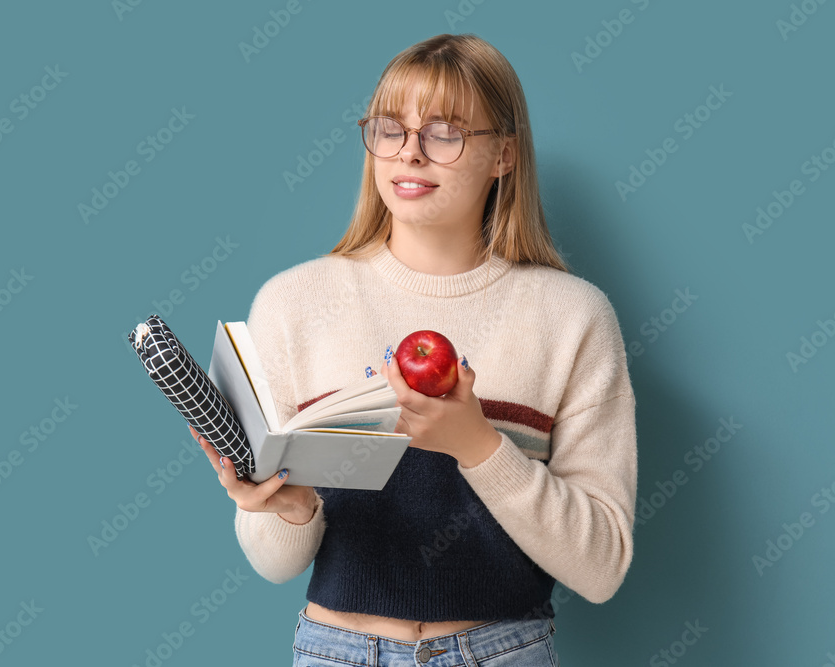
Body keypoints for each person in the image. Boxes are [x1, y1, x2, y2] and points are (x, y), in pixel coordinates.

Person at [189, 33, 637, 666]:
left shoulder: (572, 316)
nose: (411, 154)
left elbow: (602, 567)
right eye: (390, 129)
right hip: (333, 650)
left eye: (445, 133)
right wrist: (286, 507)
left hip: (503, 651)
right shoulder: (293, 303)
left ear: (503, 154)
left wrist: (478, 446)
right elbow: (274, 564)